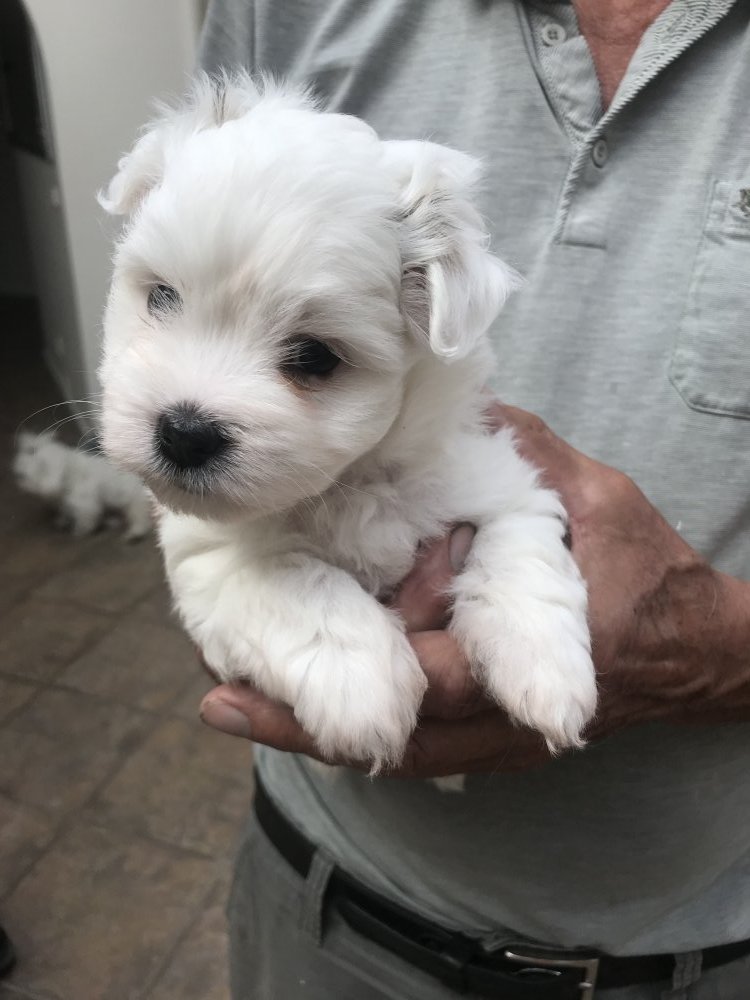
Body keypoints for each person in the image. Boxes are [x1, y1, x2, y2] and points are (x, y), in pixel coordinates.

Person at [196, 1, 750, 996]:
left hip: (702, 945)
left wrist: (716, 643)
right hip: (322, 898)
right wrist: (240, 580)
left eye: (309, 356)